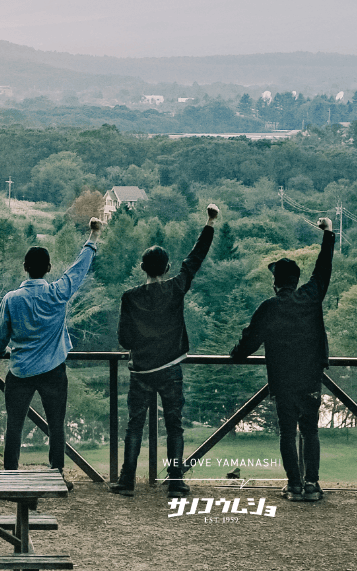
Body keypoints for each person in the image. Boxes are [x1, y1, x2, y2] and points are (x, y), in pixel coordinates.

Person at [110, 204, 219, 498]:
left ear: (142, 268)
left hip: (141, 371)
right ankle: (175, 481)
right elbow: (195, 259)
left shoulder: (129, 297)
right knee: (175, 427)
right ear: (167, 268)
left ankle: (126, 481)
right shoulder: (175, 288)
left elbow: (124, 339)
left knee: (135, 426)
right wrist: (210, 222)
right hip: (171, 369)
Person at [0, 217, 102, 488]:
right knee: (56, 425)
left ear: (25, 268)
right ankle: (57, 474)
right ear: (49, 268)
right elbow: (78, 270)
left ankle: (10, 475)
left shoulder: (11, 299)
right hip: (53, 371)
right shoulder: (57, 293)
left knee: (14, 426)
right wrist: (93, 236)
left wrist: (1, 350)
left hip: (20, 371)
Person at [230, 217, 334, 502]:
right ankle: (312, 484)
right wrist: (328, 234)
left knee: (287, 433)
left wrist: (235, 354)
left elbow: (248, 343)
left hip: (283, 381)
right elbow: (323, 269)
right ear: (297, 281)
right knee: (310, 431)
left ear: (276, 283)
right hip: (311, 377)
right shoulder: (311, 297)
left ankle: (295, 485)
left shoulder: (269, 308)